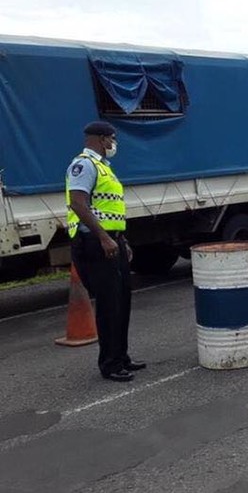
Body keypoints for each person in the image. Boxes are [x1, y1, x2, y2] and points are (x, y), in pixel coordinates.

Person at [66, 121, 143, 383]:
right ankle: (109, 364)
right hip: (95, 244)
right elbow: (78, 203)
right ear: (101, 139)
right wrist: (103, 238)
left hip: (112, 241)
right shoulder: (83, 165)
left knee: (122, 301)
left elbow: (109, 210)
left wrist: (121, 241)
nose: (114, 143)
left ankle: (121, 356)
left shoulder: (103, 167)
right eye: (112, 138)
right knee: (109, 305)